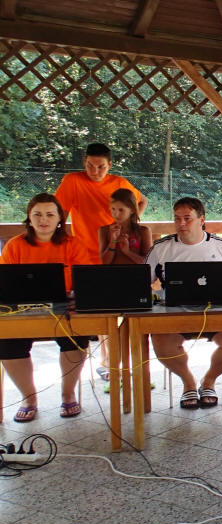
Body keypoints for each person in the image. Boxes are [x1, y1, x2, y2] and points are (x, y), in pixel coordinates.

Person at [55, 143, 149, 380]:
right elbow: (59, 213)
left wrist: (129, 224)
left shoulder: (119, 182)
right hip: (85, 254)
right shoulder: (72, 181)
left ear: (110, 165)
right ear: (84, 162)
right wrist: (61, 237)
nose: (95, 171)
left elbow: (141, 201)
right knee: (101, 311)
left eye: (101, 167)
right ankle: (108, 363)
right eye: (90, 165)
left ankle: (122, 364)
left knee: (124, 311)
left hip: (116, 255)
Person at [144, 197, 222, 409]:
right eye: (177, 218)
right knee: (160, 341)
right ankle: (188, 383)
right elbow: (142, 282)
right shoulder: (161, 248)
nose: (181, 223)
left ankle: (209, 381)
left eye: (187, 218)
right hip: (174, 316)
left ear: (202, 220)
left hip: (217, 315)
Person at [0, 193, 92, 422]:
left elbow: (86, 281)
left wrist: (79, 297)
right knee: (7, 343)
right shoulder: (15, 245)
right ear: (29, 217)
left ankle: (68, 394)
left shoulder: (73, 244)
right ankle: (28, 398)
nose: (43, 219)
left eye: (50, 214)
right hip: (20, 310)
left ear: (59, 218)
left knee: (78, 337)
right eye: (38, 214)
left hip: (63, 309)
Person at [98, 188, 152, 265]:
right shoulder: (104, 231)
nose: (116, 214)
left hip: (136, 272)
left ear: (132, 210)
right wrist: (113, 241)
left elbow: (149, 262)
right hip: (112, 273)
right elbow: (104, 262)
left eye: (121, 210)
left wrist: (127, 252)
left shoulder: (143, 231)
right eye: (113, 209)